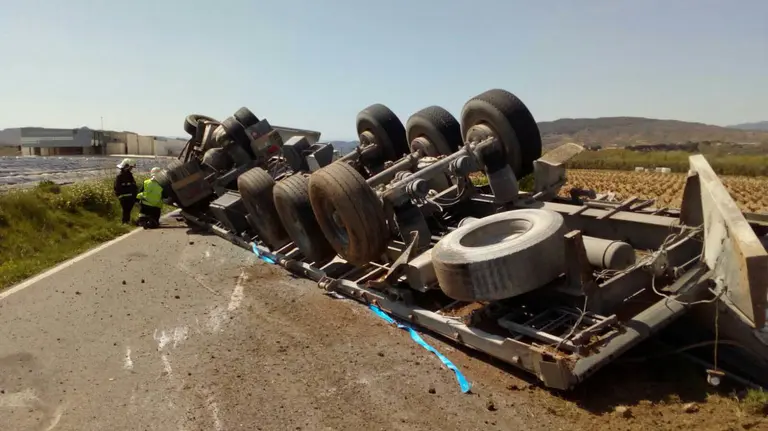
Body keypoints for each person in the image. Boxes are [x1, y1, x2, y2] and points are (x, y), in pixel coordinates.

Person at [114, 158, 138, 224]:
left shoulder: (129, 175)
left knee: (127, 211)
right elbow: (117, 187)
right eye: (131, 167)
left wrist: (135, 196)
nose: (131, 169)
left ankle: (126, 222)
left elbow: (133, 185)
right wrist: (119, 196)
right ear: (127, 166)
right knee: (126, 210)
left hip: (130, 197)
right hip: (124, 197)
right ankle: (125, 222)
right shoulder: (120, 176)